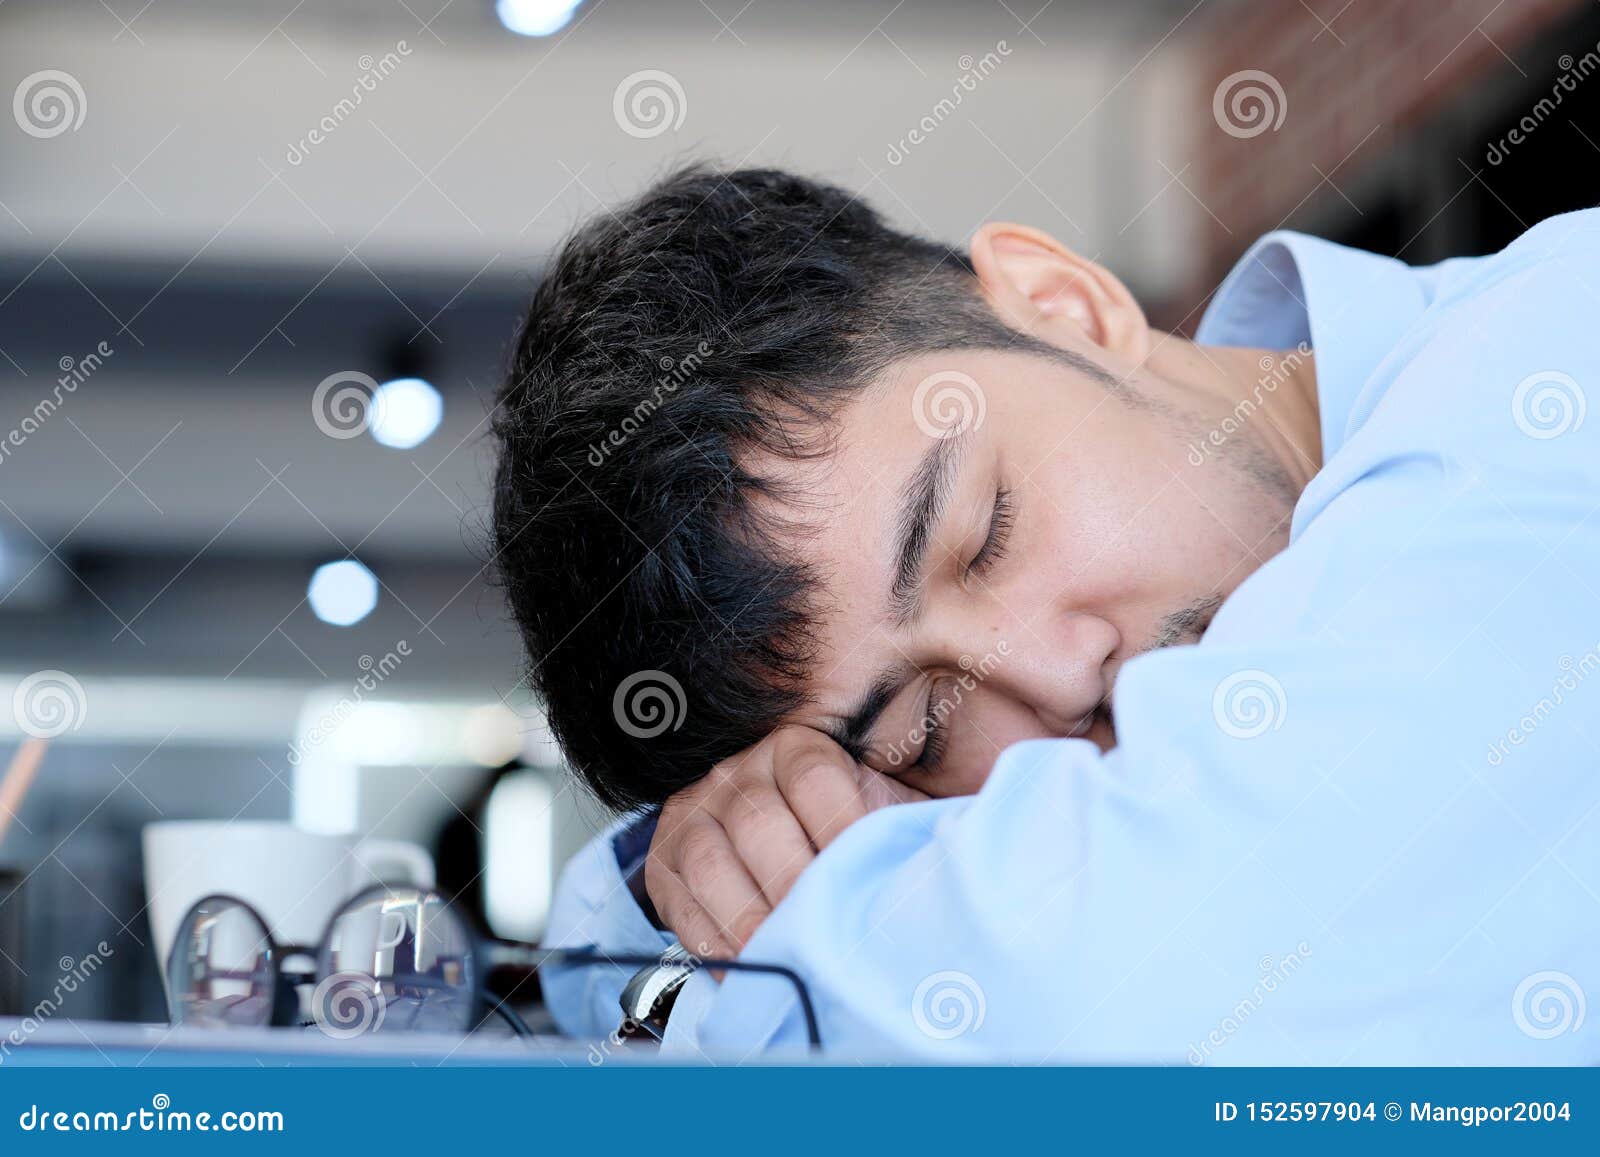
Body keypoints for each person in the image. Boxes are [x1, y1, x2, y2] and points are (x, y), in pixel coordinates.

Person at [492, 164, 1600, 1060]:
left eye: (990, 531)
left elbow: (1107, 1014)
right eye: (922, 732)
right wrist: (673, 874)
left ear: (1065, 304)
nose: (1054, 678)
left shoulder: (1549, 368)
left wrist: (732, 921)